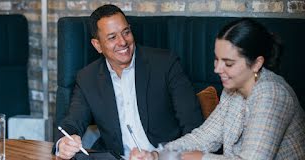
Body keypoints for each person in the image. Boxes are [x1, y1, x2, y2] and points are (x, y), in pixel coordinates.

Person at [130, 18, 305, 160]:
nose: (217, 69)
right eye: (216, 59)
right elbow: (204, 137)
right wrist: (157, 154)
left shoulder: (272, 94)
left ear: (257, 63)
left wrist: (200, 158)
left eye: (228, 63)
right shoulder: (232, 89)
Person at [53, 4, 203, 159]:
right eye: (112, 37)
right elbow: (72, 122)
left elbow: (193, 125)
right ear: (97, 45)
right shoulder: (87, 78)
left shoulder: (165, 64)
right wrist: (63, 143)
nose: (123, 42)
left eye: (126, 32)